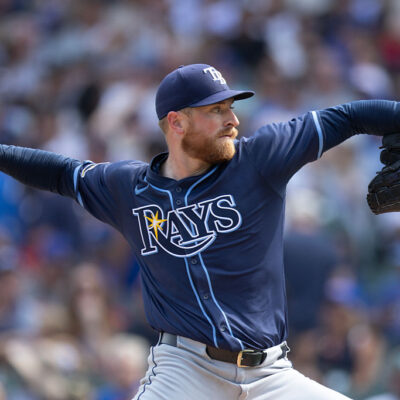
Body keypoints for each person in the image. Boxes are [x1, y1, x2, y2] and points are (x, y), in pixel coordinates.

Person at [0, 63, 399, 400]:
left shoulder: (259, 158)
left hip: (270, 374)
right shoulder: (129, 188)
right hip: (184, 371)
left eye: (231, 107)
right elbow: (60, 173)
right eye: (217, 110)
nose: (233, 120)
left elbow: (346, 117)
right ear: (177, 122)